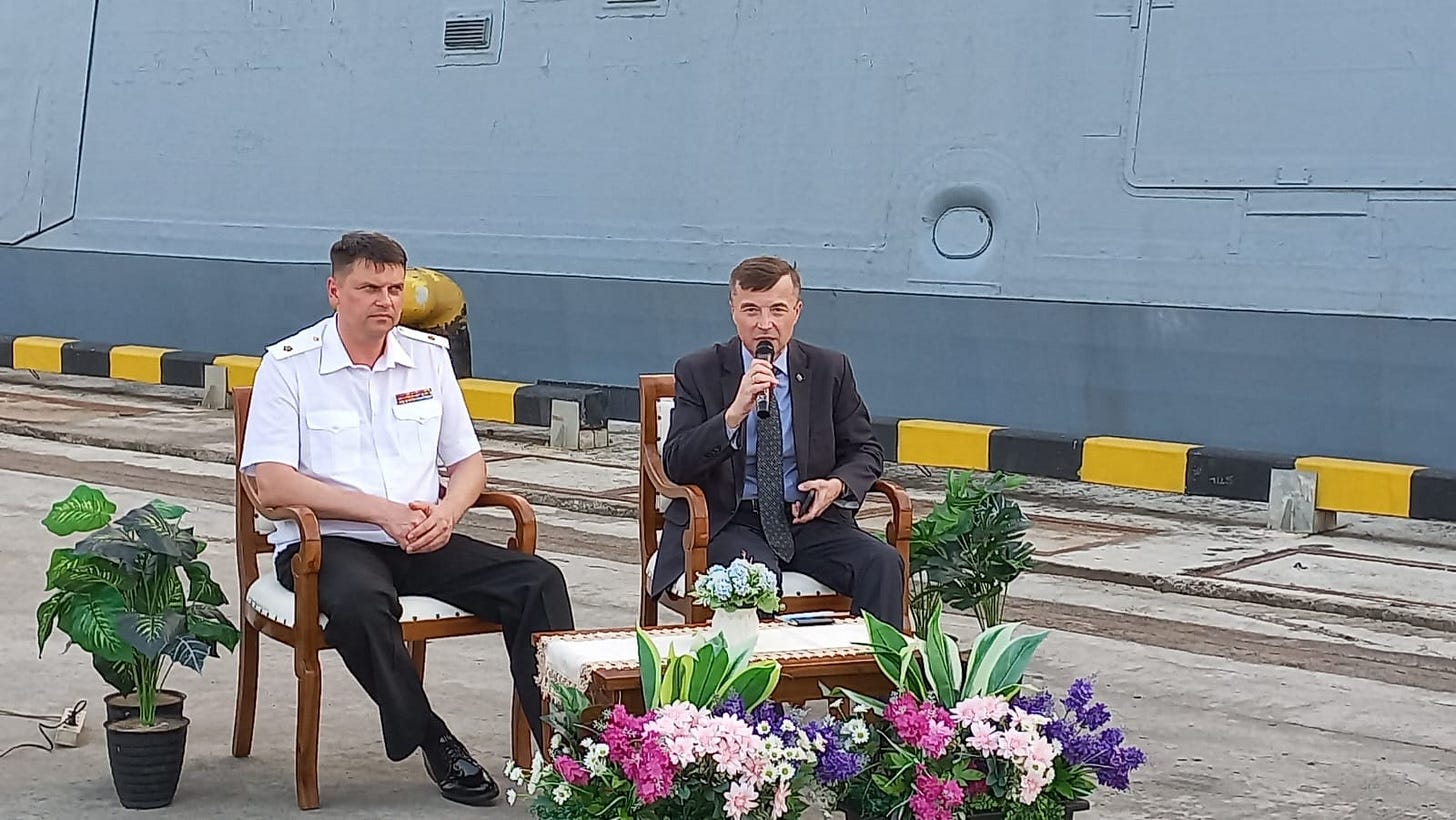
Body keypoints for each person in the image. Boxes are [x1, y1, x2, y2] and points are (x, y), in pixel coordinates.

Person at [239, 231, 575, 806]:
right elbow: (269, 483)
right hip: (330, 542)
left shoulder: (427, 359)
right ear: (333, 290)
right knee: (361, 605)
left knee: (537, 582)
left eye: (394, 288)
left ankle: (567, 751)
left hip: (422, 537)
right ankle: (433, 738)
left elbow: (469, 463)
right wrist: (382, 512)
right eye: (368, 287)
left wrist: (448, 513)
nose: (385, 301)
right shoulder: (288, 366)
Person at [651, 255, 905, 628]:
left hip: (807, 519)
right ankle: (764, 685)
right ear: (733, 311)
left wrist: (836, 484)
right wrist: (733, 414)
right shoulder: (698, 370)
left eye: (777, 310)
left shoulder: (829, 368)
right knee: (757, 580)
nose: (764, 324)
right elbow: (676, 462)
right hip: (728, 521)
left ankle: (874, 681)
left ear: (797, 312)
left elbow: (865, 449)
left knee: (881, 563)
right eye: (751, 310)